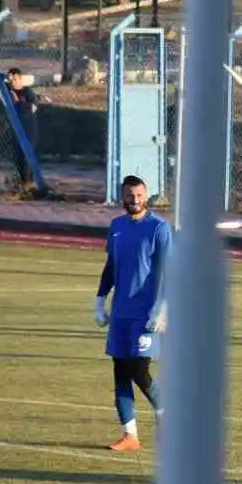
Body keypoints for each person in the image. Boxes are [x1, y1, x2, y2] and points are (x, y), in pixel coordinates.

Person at [92, 175, 170, 452]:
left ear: (145, 196)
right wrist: (100, 300)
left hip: (146, 314)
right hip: (121, 313)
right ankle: (130, 436)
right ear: (122, 196)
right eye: (129, 195)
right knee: (120, 372)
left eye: (139, 195)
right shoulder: (116, 227)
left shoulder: (159, 228)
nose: (134, 200)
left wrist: (162, 307)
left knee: (138, 369)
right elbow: (111, 266)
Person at [2, 67, 40, 189]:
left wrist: (18, 102)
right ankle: (21, 183)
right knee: (17, 156)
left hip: (28, 129)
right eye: (10, 79)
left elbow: (32, 108)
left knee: (27, 157)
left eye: (15, 79)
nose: (13, 82)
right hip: (15, 129)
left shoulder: (27, 92)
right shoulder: (7, 90)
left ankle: (29, 183)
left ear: (20, 79)